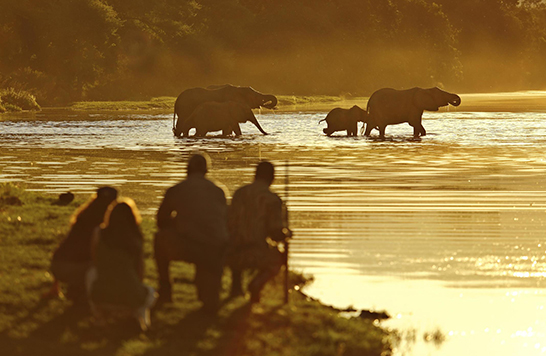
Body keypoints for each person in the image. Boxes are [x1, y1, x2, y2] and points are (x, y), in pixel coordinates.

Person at [154, 154, 229, 313]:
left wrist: (177, 222)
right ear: (206, 171)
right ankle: (209, 296)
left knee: (159, 239)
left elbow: (161, 221)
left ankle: (166, 288)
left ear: (187, 169)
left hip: (193, 245)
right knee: (209, 299)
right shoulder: (219, 190)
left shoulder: (177, 189)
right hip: (217, 248)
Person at [227, 161, 292, 303]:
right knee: (279, 259)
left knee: (237, 241)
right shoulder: (272, 200)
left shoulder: (239, 193)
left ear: (255, 175)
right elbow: (275, 233)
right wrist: (286, 233)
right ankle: (256, 284)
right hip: (255, 253)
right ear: (272, 178)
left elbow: (229, 222)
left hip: (230, 253)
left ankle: (236, 286)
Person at [88, 198, 156, 331]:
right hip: (131, 298)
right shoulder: (136, 237)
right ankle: (139, 319)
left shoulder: (99, 233)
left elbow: (95, 259)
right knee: (152, 293)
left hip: (101, 296)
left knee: (90, 273)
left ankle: (100, 317)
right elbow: (140, 270)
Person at [44, 186, 118, 301]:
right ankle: (81, 290)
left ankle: (67, 287)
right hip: (75, 269)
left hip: (56, 266)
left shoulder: (82, 217)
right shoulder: (103, 225)